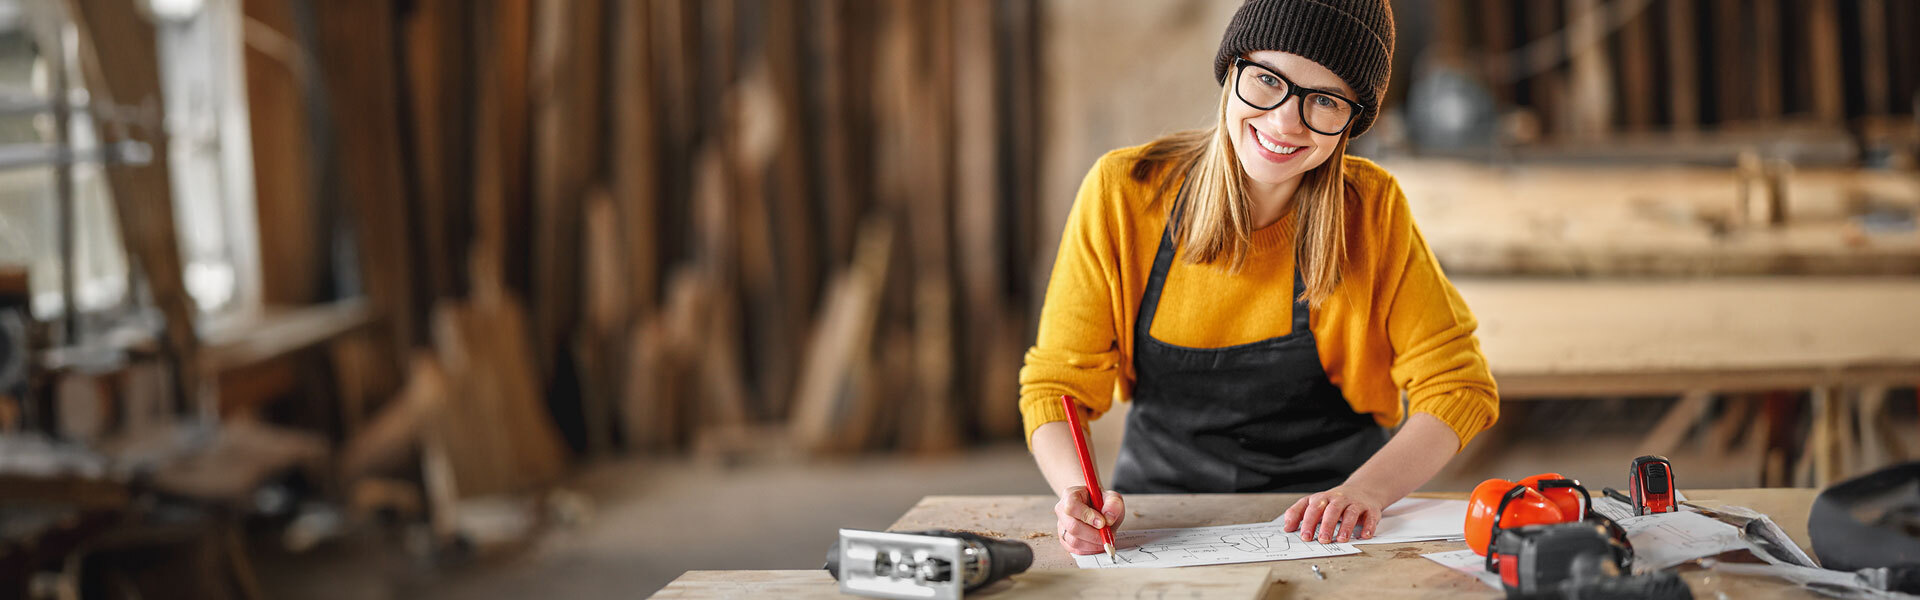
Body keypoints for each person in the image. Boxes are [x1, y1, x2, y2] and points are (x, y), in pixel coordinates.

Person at [1019, 0, 1499, 556]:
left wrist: (1366, 491)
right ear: (1233, 71)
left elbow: (1457, 385)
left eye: (1324, 100)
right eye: (1269, 81)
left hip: (1333, 526)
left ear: (1353, 117)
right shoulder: (1124, 193)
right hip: (1160, 521)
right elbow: (1056, 385)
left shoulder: (1371, 211)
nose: (1284, 122)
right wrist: (1079, 494)